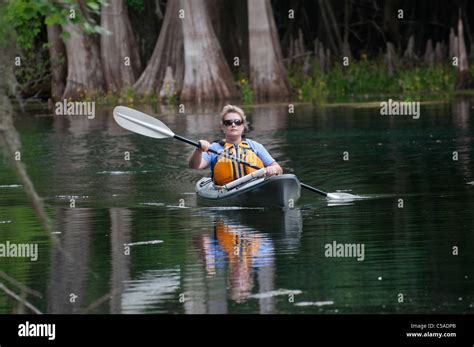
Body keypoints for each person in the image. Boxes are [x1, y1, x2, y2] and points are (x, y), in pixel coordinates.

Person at [189, 105, 283, 185]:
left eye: (237, 122)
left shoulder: (255, 146)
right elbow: (195, 166)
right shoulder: (214, 148)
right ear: (223, 127)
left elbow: (278, 169)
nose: (233, 125)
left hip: (254, 186)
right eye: (228, 122)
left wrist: (272, 169)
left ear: (243, 126)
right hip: (225, 190)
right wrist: (198, 150)